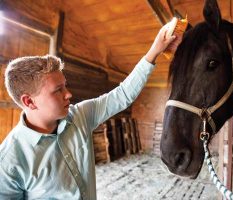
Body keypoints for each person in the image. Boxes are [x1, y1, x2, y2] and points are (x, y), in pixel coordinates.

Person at [0, 23, 175, 199]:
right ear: (29, 101)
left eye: (65, 86)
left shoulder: (80, 116)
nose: (68, 94)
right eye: (58, 90)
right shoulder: (9, 161)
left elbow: (122, 95)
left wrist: (155, 50)